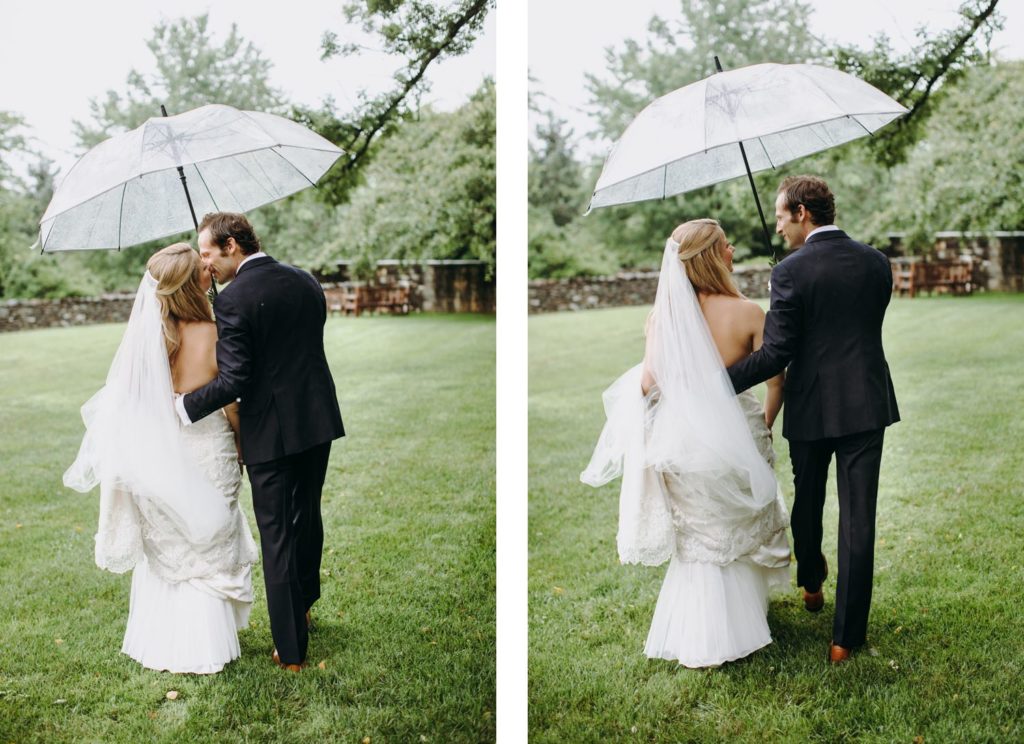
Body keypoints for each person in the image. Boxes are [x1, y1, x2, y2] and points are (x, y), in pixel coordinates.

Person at [582, 218, 790, 669]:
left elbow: (650, 382)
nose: (733, 250)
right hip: (737, 435)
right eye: (727, 244)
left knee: (698, 537)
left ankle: (703, 629)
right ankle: (735, 624)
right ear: (714, 256)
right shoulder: (750, 313)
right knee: (733, 525)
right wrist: (764, 427)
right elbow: (778, 381)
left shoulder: (663, 318)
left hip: (681, 442)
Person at [727, 175, 900, 664]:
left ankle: (810, 582)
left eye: (782, 217)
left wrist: (719, 380)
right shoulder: (875, 262)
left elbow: (778, 351)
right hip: (866, 400)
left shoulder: (789, 272)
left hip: (809, 402)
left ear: (803, 213)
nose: (779, 227)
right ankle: (845, 639)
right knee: (858, 517)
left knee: (808, 500)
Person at [64, 243, 258, 674]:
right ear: (192, 283)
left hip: (160, 456)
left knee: (171, 542)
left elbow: (130, 404)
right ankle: (207, 643)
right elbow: (229, 401)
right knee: (207, 540)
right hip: (209, 446)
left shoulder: (150, 338)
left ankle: (161, 641)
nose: (210, 271)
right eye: (202, 271)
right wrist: (244, 442)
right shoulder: (211, 330)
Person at [176, 212, 344, 672]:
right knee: (307, 516)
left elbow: (234, 378)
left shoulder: (232, 301)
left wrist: (184, 408)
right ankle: (303, 605)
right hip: (318, 420)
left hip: (270, 432)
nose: (206, 265)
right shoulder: (305, 281)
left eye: (208, 253)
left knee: (277, 537)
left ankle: (290, 650)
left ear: (232, 245)